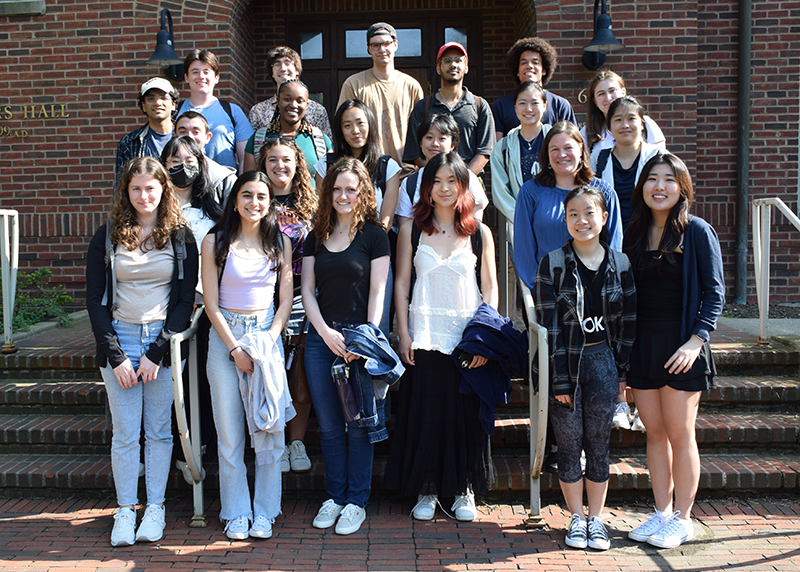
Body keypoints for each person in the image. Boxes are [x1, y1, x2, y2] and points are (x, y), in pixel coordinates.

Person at [86, 157, 198, 547]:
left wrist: (158, 351)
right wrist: (115, 355)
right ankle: (124, 510)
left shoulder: (181, 238)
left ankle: (155, 508)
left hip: (160, 343)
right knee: (125, 435)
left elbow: (185, 302)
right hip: (120, 339)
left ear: (164, 190)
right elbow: (95, 301)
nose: (144, 195)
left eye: (151, 187)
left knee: (159, 431)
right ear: (126, 192)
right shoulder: (108, 235)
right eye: (136, 188)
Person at [385, 151, 498, 521]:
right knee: (426, 413)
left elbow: (490, 291)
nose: (445, 188)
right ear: (427, 188)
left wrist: (483, 340)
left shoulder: (480, 233)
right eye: (437, 181)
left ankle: (464, 489)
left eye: (452, 180)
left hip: (467, 342)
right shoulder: (411, 230)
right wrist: (403, 333)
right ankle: (427, 487)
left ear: (464, 186)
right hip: (425, 336)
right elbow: (401, 283)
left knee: (465, 414)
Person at [623, 153, 724, 549]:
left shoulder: (697, 231)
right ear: (642, 187)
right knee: (655, 433)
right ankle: (662, 512)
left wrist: (695, 342)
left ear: (682, 188)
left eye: (668, 179)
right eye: (652, 178)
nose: (659, 186)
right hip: (642, 346)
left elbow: (714, 295)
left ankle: (684, 518)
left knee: (681, 434)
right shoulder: (634, 233)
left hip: (682, 346)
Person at [533, 185, 636, 551]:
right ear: (566, 220)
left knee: (598, 445)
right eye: (573, 214)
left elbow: (628, 324)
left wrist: (623, 375)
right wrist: (559, 378)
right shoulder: (554, 263)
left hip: (603, 363)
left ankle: (596, 519)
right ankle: (575, 518)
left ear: (604, 218)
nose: (582, 220)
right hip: (568, 366)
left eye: (590, 213)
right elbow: (549, 329)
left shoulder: (620, 263)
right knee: (569, 443)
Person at [202, 171, 294, 540]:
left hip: (266, 337)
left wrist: (268, 342)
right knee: (230, 435)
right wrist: (237, 348)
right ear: (235, 199)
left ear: (270, 202)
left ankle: (266, 511)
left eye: (261, 196)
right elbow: (210, 303)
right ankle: (236, 511)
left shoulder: (280, 242)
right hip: (226, 341)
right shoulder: (215, 241)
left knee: (269, 429)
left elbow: (285, 301)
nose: (254, 202)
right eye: (246, 195)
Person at [301, 157, 391, 536]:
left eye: (350, 189)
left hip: (358, 342)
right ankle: (335, 497)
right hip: (321, 342)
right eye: (336, 188)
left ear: (362, 192)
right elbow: (307, 291)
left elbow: (378, 290)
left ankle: (356, 501)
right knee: (329, 426)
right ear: (328, 191)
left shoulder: (375, 235)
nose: (342, 195)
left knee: (359, 424)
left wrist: (364, 338)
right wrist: (323, 332)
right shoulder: (316, 233)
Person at [256, 138, 317, 474]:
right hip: (262, 298)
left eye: (287, 160)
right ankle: (275, 440)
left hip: (300, 296)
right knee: (270, 372)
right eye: (272, 160)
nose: (280, 166)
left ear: (297, 164)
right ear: (263, 164)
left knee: (298, 372)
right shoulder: (255, 200)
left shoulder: (311, 205)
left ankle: (297, 443)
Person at [513, 121, 623, 287]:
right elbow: (524, 250)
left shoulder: (604, 192)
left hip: (596, 290)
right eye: (554, 149)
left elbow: (614, 244)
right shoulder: (530, 192)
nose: (561, 155)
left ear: (580, 149)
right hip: (548, 291)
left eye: (568, 148)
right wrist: (540, 290)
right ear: (547, 154)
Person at [338, 22, 424, 175]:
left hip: (406, 174)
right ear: (369, 49)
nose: (382, 49)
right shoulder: (354, 84)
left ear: (395, 45)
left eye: (386, 43)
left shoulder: (412, 86)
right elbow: (342, 127)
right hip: (367, 173)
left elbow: (422, 130)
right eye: (375, 45)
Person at [403, 42, 495, 176]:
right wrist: (438, 177)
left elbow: (485, 150)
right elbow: (414, 151)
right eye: (447, 61)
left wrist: (463, 179)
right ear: (438, 68)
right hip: (431, 182)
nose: (453, 65)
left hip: (470, 182)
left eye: (458, 60)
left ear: (466, 67)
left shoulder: (479, 105)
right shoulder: (423, 106)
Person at [395, 114, 488, 226]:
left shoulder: (468, 178)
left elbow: (475, 225)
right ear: (420, 143)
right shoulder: (410, 183)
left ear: (452, 144)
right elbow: (405, 227)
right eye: (429, 137)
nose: (435, 144)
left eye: (442, 138)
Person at [590, 96, 663, 231]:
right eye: (618, 120)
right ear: (609, 127)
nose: (625, 125)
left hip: (649, 235)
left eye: (631, 118)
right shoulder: (597, 158)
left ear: (642, 124)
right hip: (609, 238)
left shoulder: (658, 157)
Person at [176, 49, 254, 172]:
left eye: (206, 72)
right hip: (184, 186)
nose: (201, 76)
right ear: (186, 77)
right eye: (195, 72)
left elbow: (246, 158)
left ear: (216, 77)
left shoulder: (233, 112)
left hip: (225, 187)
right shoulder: (175, 112)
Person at [243, 79, 332, 181]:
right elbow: (249, 184)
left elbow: (328, 187)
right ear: (278, 101)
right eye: (287, 99)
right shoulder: (258, 139)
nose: (293, 105)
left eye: (299, 101)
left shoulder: (320, 140)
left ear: (307, 105)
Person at [492, 37, 576, 139]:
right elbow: (497, 147)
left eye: (535, 62)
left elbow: (571, 141)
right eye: (524, 62)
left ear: (544, 70)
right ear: (517, 71)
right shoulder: (501, 105)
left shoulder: (560, 105)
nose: (529, 66)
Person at [491, 81, 551, 223]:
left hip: (554, 220)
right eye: (522, 103)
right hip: (519, 224)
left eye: (534, 103)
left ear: (544, 106)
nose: (528, 109)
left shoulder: (555, 140)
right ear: (515, 107)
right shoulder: (503, 147)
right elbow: (500, 192)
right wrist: (521, 218)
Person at [249, 46, 332, 138]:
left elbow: (326, 146)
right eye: (277, 64)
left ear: (297, 70)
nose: (283, 68)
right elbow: (252, 147)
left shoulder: (317, 110)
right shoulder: (258, 111)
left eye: (287, 63)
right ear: (272, 73)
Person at [581, 70, 666, 154]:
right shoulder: (586, 132)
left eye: (612, 91)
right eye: (601, 94)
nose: (608, 97)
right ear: (594, 100)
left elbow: (660, 158)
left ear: (623, 92)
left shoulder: (645, 123)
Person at [115, 78, 178, 189]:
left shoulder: (188, 137)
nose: (158, 103)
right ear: (143, 105)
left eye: (163, 97)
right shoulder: (129, 142)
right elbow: (121, 186)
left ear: (173, 104)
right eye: (151, 99)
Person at [175, 111, 238, 201]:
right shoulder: (162, 176)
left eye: (196, 132)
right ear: (174, 136)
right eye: (182, 132)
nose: (189, 137)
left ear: (207, 137)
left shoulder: (225, 180)